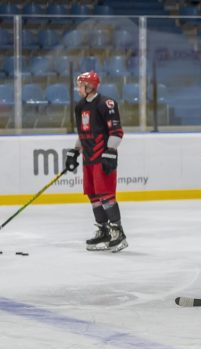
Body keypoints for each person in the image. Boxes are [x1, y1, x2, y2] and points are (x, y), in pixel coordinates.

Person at [64, 71, 127, 252]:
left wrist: (110, 152)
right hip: (88, 158)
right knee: (93, 195)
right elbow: (84, 133)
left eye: (80, 85)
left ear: (89, 86)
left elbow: (117, 132)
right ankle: (104, 231)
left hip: (102, 157)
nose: (78, 88)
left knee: (106, 194)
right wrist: (74, 152)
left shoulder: (106, 103)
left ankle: (118, 233)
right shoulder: (80, 106)